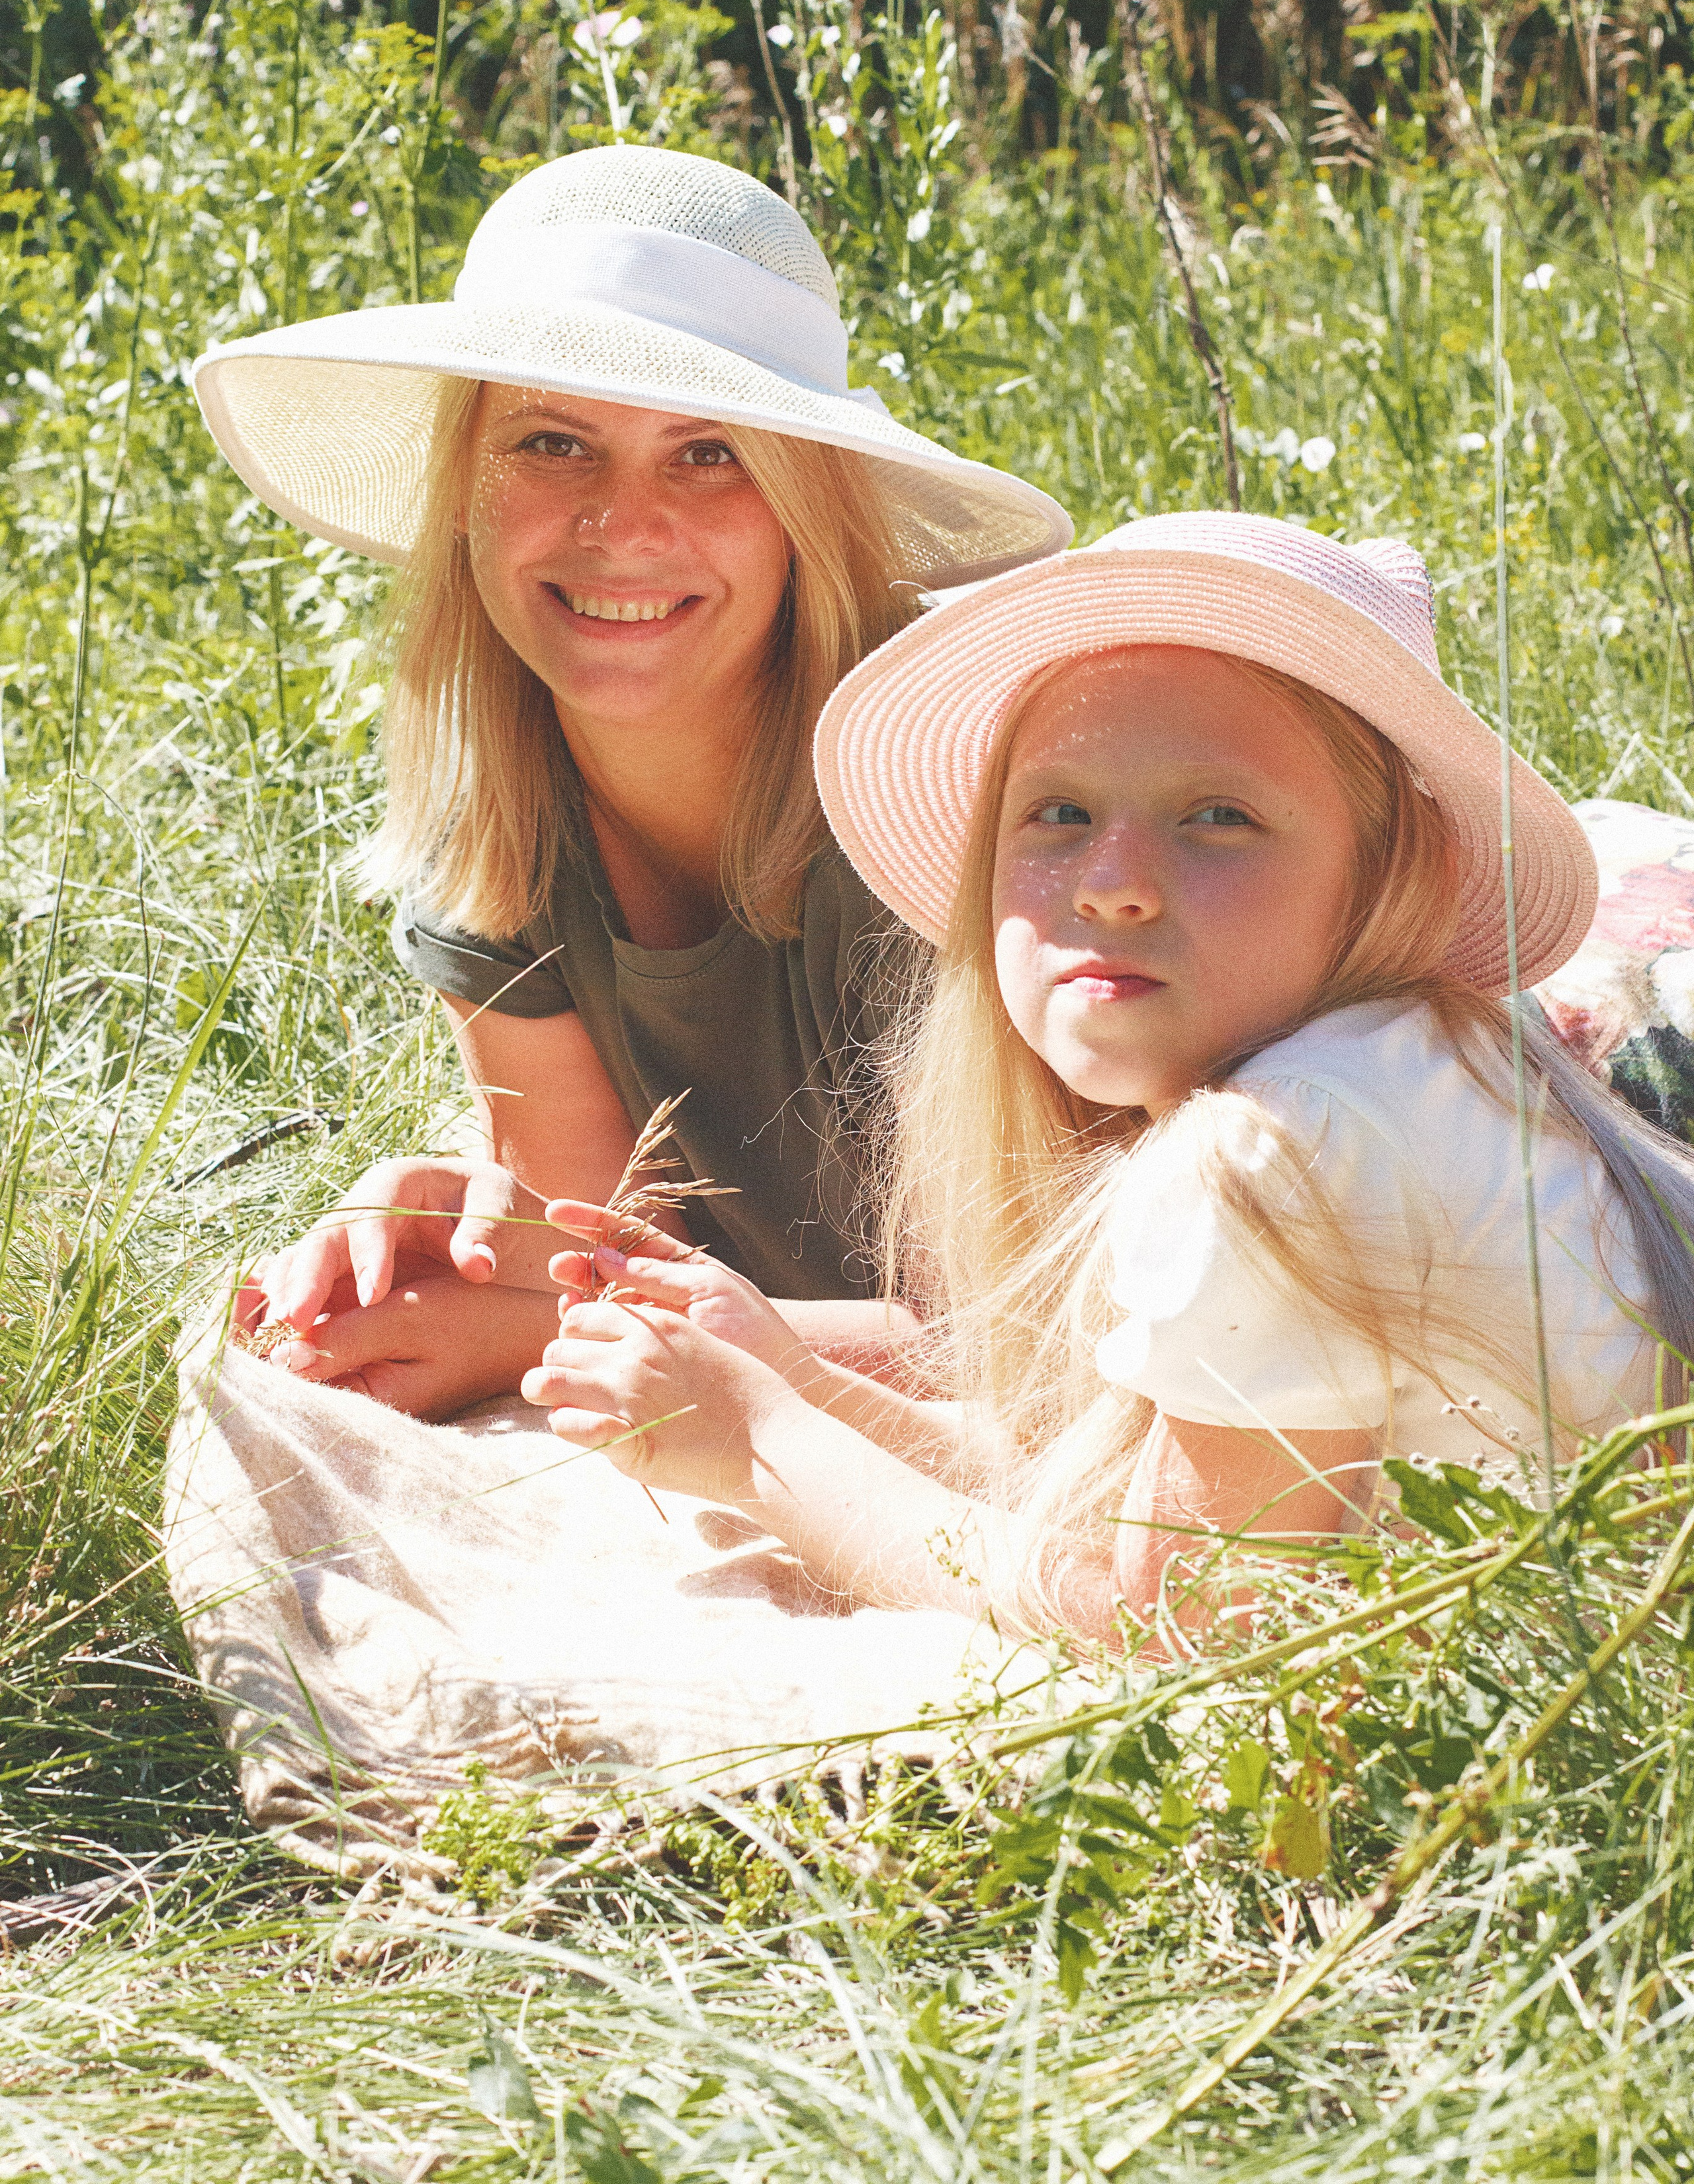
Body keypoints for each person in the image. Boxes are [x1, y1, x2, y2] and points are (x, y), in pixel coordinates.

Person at [496, 513, 1693, 1642]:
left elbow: (1164, 1629)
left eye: (1217, 816)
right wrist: (802, 1381)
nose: (1110, 881)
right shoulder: (1419, 1070)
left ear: (1406, 873)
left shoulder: (1270, 1150)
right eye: (1059, 813)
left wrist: (759, 1446)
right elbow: (1128, 1497)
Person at [193, 147, 1070, 1413]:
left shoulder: (953, 789)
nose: (624, 524)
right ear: (462, 499)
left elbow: (1059, 1343)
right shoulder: (503, 846)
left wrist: (518, 1334)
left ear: (804, 513)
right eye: (554, 443)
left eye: (708, 454)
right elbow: (612, 1257)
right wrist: (451, 1260)